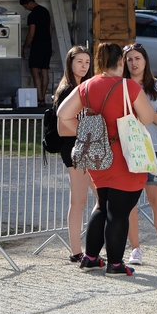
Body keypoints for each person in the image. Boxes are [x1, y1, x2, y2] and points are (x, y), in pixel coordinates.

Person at [56, 42, 156, 276]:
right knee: (119, 212)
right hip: (126, 155)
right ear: (121, 61)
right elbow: (148, 117)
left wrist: (86, 132)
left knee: (102, 206)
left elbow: (63, 114)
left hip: (99, 155)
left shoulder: (88, 85)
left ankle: (91, 257)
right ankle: (115, 263)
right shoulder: (128, 86)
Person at [123, 43, 157, 268]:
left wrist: (145, 112)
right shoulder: (122, 85)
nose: (134, 63)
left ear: (145, 60)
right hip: (128, 147)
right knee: (129, 202)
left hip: (152, 148)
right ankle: (135, 248)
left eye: (138, 58)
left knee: (156, 200)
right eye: (129, 59)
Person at [53, 45, 95, 263]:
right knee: (79, 200)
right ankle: (76, 251)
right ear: (70, 63)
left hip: (87, 147)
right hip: (73, 148)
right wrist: (88, 131)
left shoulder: (85, 86)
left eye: (87, 62)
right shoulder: (67, 90)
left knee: (100, 198)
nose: (84, 66)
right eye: (79, 61)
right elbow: (62, 128)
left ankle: (92, 246)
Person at [20, 0, 54, 104]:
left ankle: (40, 98)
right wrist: (48, 44)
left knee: (34, 71)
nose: (26, 9)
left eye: (25, 6)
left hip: (37, 45)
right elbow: (50, 29)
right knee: (44, 71)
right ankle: (42, 97)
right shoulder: (45, 11)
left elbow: (31, 34)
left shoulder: (33, 15)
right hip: (47, 44)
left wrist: (25, 47)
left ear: (30, 3)